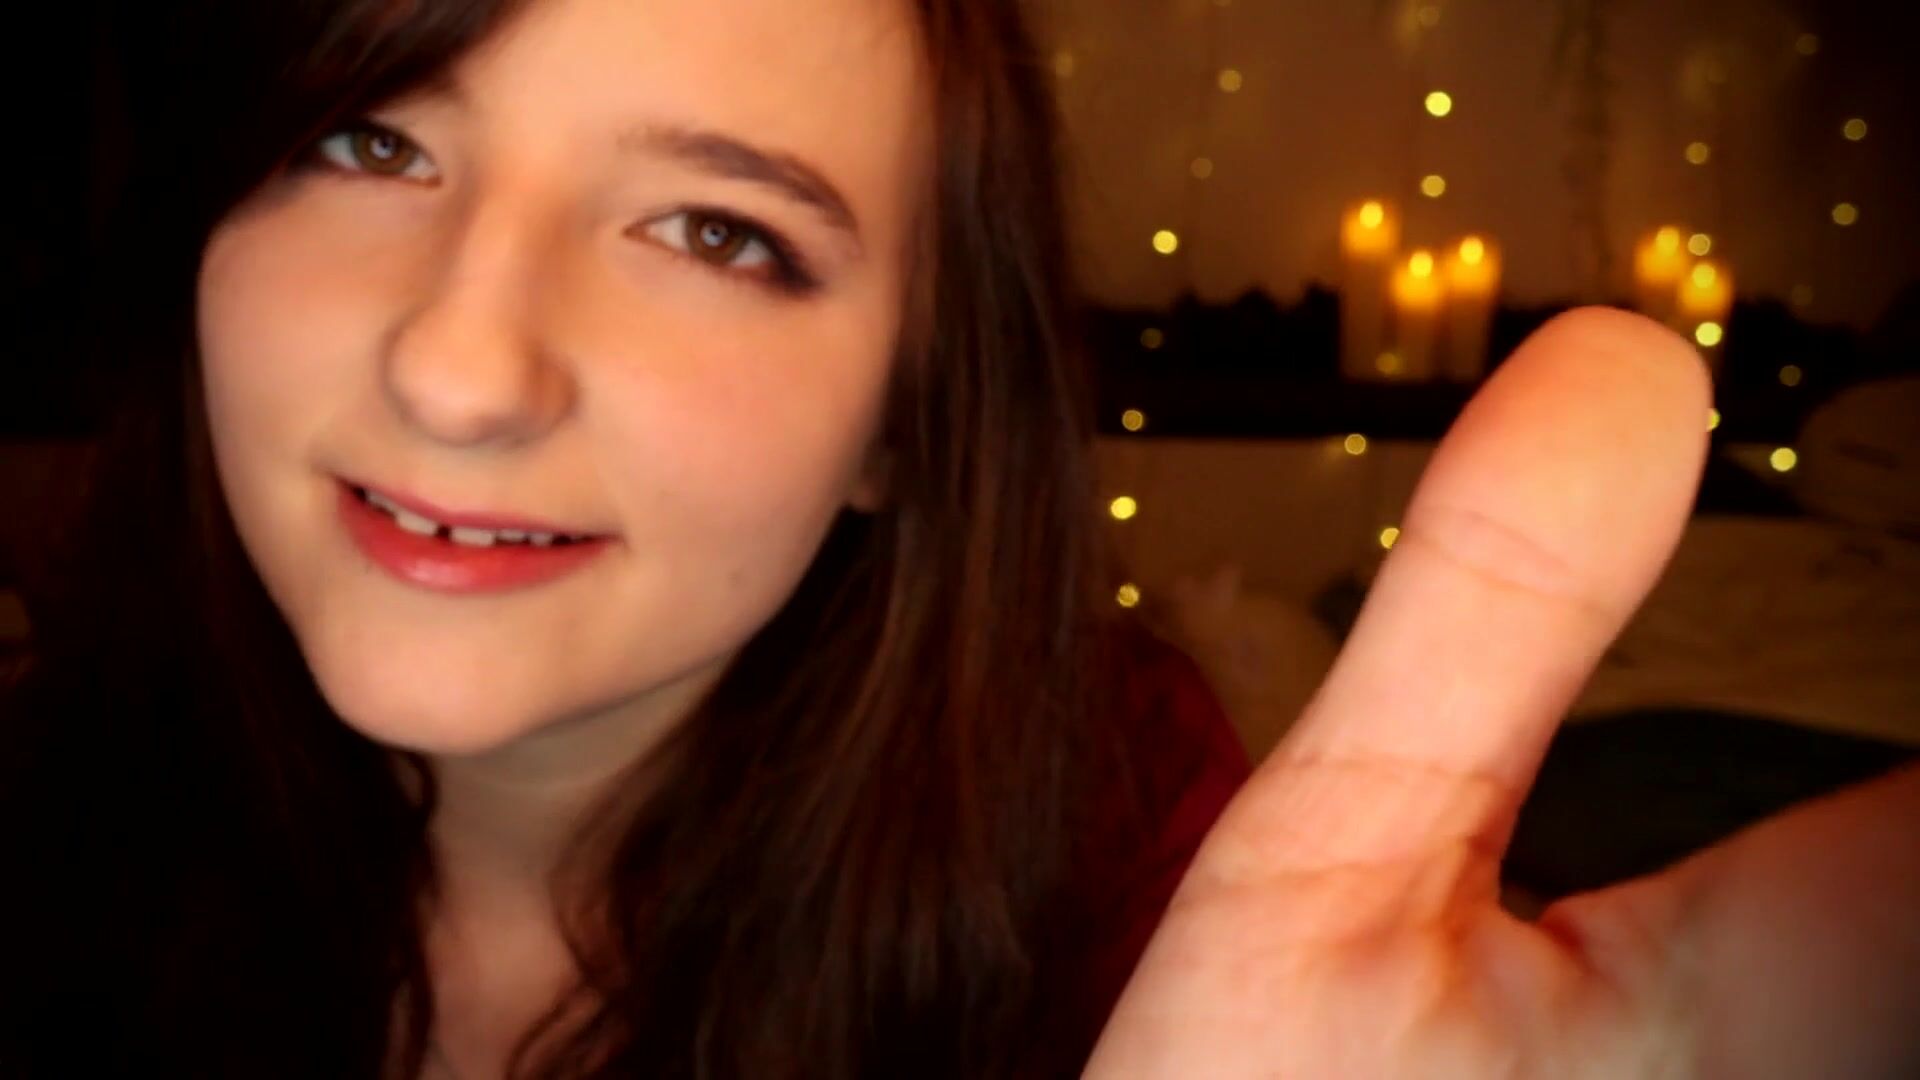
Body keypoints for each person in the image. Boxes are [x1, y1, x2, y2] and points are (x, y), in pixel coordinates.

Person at [4, 1, 1915, 1078]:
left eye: (715, 233)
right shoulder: (53, 796)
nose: (457, 369)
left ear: (904, 426)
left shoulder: (1117, 868)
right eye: (371, 142)